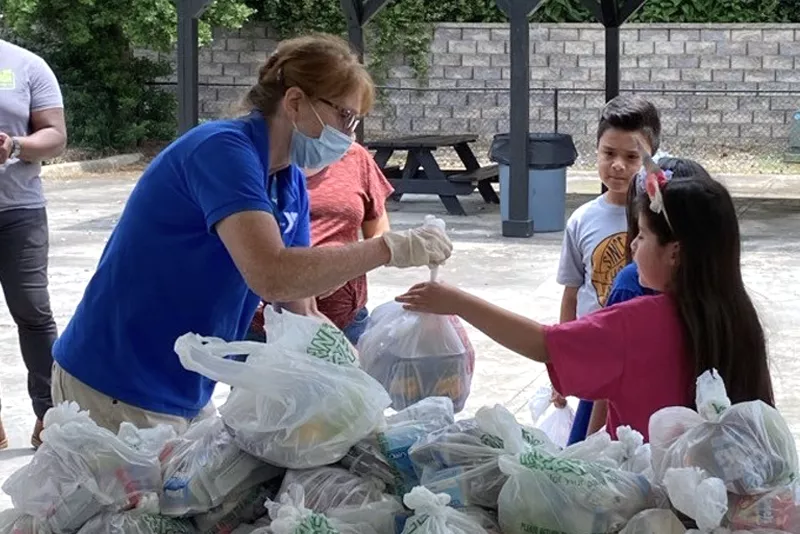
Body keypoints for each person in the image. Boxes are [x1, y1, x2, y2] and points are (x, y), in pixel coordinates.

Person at [50, 33, 451, 435]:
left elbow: (300, 306)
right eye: (344, 118)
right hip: (117, 378)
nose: (349, 136)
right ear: (295, 102)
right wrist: (387, 248)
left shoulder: (288, 180)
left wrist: (353, 375)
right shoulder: (221, 150)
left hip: (185, 380)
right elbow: (271, 274)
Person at [397, 164, 774, 441]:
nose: (632, 246)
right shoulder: (738, 318)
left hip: (644, 496)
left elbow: (544, 343)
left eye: (641, 235)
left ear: (674, 252)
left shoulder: (638, 321)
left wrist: (457, 300)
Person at [571, 157, 714, 444]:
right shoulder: (631, 286)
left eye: (643, 235)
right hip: (631, 446)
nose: (634, 244)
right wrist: (590, 449)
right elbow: (605, 380)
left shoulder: (718, 307)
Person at [555, 95, 661, 440]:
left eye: (631, 157)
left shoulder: (662, 220)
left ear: (651, 160)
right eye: (608, 154)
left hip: (644, 360)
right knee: (586, 447)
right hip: (595, 355)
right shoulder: (582, 219)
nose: (618, 165)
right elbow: (572, 294)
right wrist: (561, 363)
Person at [248, 142, 394, 345]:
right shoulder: (251, 162)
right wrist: (311, 275)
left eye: (354, 118)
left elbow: (378, 230)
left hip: (346, 319)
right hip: (264, 324)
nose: (346, 128)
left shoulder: (355, 156)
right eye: (343, 114)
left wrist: (341, 268)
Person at [0, 39, 67, 449]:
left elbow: (56, 136)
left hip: (18, 211)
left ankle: (49, 415)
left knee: (32, 311)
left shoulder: (25, 65)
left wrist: (14, 146)